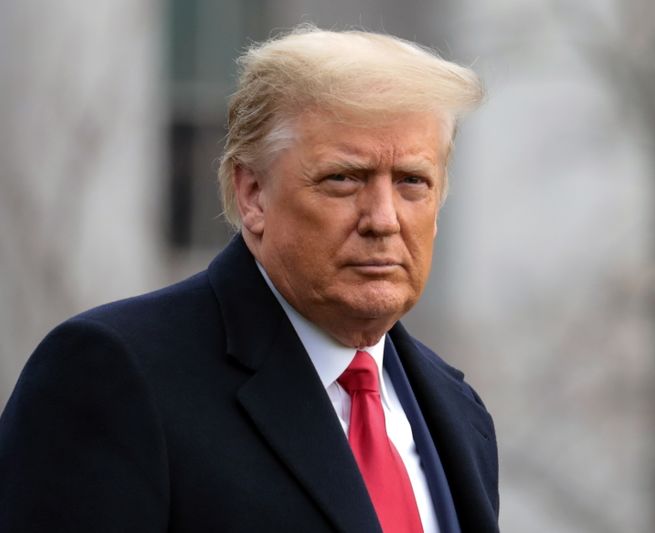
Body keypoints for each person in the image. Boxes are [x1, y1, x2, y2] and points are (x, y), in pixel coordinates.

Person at [0, 25, 499, 532]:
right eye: (344, 178)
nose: (383, 219)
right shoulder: (113, 376)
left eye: (412, 182)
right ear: (253, 192)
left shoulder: (459, 414)